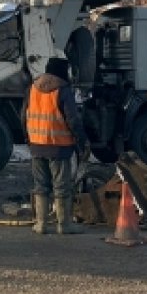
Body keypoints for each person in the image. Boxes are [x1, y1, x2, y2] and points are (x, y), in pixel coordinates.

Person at [23, 57, 89, 235]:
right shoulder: (63, 90)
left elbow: (24, 116)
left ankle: (41, 224)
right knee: (61, 187)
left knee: (40, 185)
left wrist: (29, 140)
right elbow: (73, 120)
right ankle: (63, 225)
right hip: (59, 147)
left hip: (37, 145)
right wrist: (82, 142)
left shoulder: (33, 88)